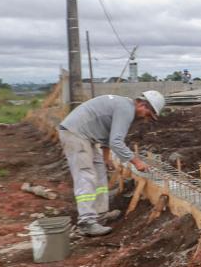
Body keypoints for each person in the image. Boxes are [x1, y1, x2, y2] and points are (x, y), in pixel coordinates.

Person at [58, 91, 165, 236]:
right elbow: (116, 142)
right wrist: (136, 162)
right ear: (141, 103)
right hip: (75, 134)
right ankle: (86, 222)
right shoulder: (126, 109)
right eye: (148, 113)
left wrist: (106, 157)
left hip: (88, 137)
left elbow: (107, 135)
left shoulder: (125, 108)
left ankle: (99, 215)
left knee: (100, 173)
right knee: (86, 175)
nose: (146, 118)